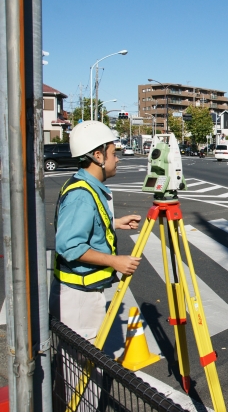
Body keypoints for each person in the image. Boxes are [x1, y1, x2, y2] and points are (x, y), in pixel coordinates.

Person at [49, 120, 142, 340]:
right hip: (78, 297)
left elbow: (86, 224)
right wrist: (114, 261)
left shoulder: (86, 186)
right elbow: (70, 246)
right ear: (98, 156)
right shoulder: (81, 194)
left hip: (82, 291)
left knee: (83, 366)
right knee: (81, 369)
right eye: (112, 153)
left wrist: (115, 222)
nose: (117, 158)